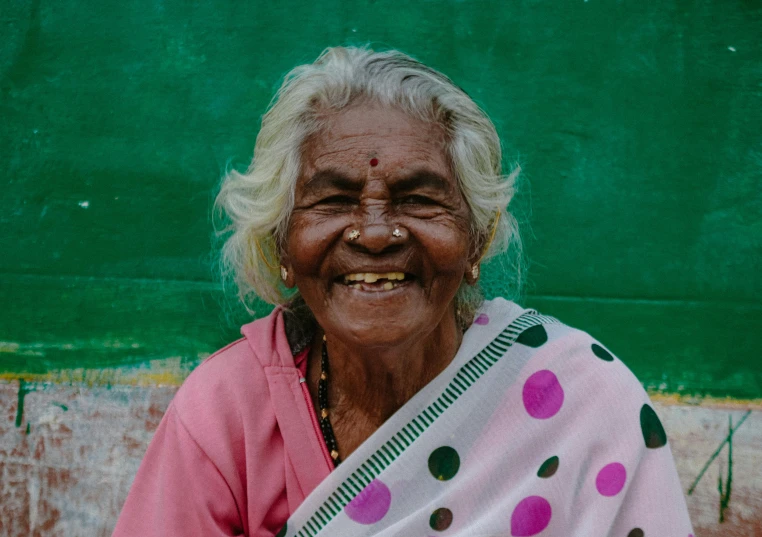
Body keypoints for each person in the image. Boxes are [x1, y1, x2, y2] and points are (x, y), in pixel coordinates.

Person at [113, 46, 693, 537]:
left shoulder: (584, 402)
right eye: (334, 199)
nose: (374, 233)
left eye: (418, 198)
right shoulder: (226, 414)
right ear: (283, 246)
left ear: (476, 239)